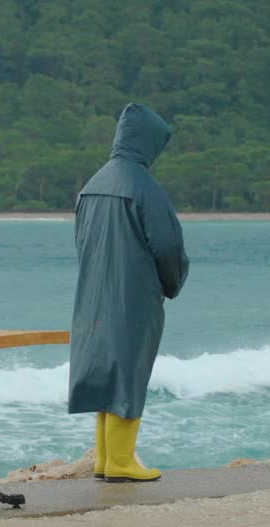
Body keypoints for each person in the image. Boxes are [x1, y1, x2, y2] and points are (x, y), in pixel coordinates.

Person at [69, 103, 189, 482]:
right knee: (128, 371)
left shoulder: (92, 186)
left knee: (105, 373)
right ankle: (121, 462)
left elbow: (82, 242)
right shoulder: (143, 187)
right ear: (148, 142)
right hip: (133, 295)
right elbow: (168, 247)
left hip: (93, 297)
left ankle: (106, 459)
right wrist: (172, 284)